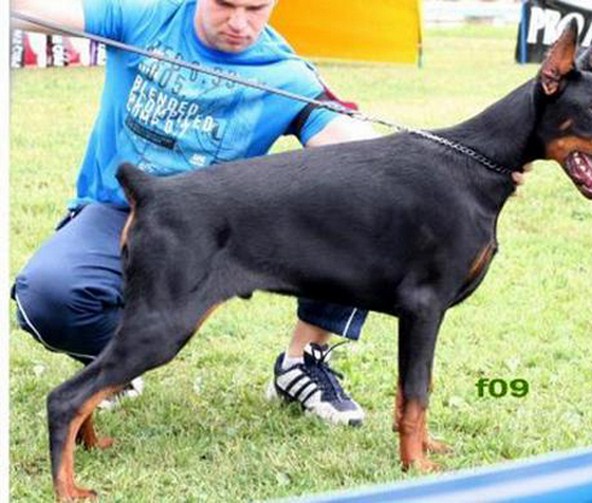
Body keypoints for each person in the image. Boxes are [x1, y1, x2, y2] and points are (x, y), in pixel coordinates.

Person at [11, 0, 527, 427]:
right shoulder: (144, 14)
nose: (239, 23)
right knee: (48, 296)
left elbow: (364, 152)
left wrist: (477, 166)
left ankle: (303, 362)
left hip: (220, 225)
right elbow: (26, 9)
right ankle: (120, 360)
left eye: (255, 9)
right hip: (120, 207)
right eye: (225, 5)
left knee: (364, 210)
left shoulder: (284, 74)